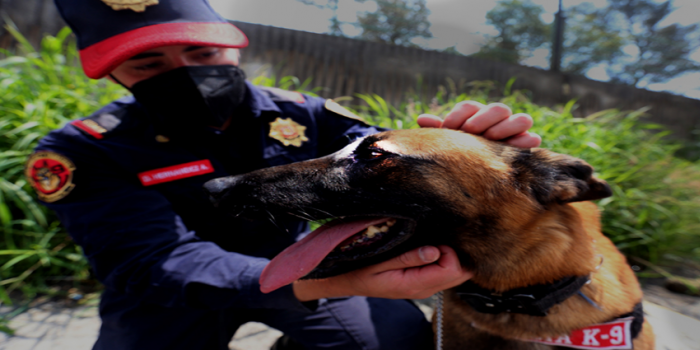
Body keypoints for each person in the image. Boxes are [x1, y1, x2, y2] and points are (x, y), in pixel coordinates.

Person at [26, 0, 542, 349]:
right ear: (112, 72)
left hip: (307, 270)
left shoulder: (303, 114)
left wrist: (473, 148)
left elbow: (389, 159)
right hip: (173, 297)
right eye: (147, 64)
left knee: (393, 340)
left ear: (231, 45)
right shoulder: (82, 149)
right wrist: (333, 280)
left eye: (201, 53)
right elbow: (151, 261)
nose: (183, 72)